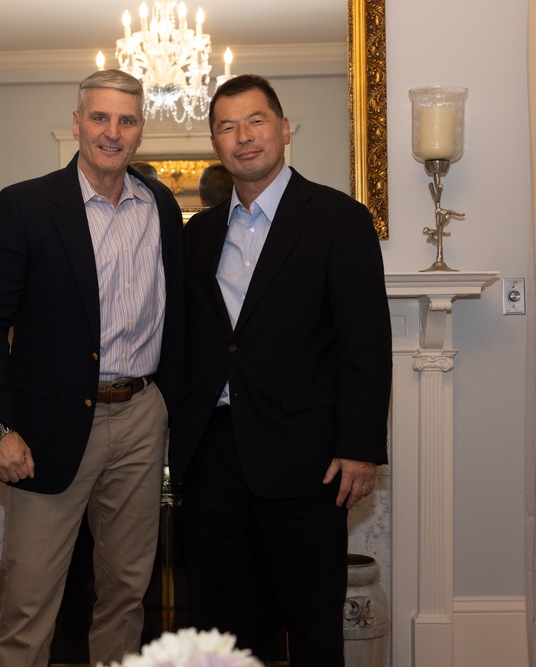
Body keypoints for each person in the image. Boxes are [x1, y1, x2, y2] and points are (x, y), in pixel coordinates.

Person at [0, 69, 187, 667]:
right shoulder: (27, 204)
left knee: (127, 593)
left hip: (141, 416)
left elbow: (178, 311)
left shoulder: (161, 205)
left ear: (141, 131)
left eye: (127, 120)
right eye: (100, 117)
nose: (113, 132)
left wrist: (169, 405)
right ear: (77, 123)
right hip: (49, 426)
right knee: (28, 603)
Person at [169, 74, 391, 666]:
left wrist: (359, 447)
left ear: (284, 129)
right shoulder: (200, 234)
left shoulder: (340, 219)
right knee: (223, 633)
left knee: (312, 627)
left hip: (307, 459)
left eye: (256, 121)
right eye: (227, 127)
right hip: (213, 457)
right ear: (215, 145)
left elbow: (366, 343)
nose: (243, 136)